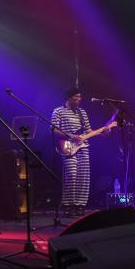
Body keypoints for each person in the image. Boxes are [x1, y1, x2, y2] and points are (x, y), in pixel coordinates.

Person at [51, 87, 96, 216]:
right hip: (67, 145)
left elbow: (88, 131)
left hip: (83, 146)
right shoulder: (58, 111)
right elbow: (53, 129)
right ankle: (68, 205)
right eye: (77, 97)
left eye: (80, 97)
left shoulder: (82, 112)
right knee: (71, 174)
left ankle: (80, 205)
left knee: (83, 176)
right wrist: (71, 136)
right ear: (69, 98)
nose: (79, 99)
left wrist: (103, 132)